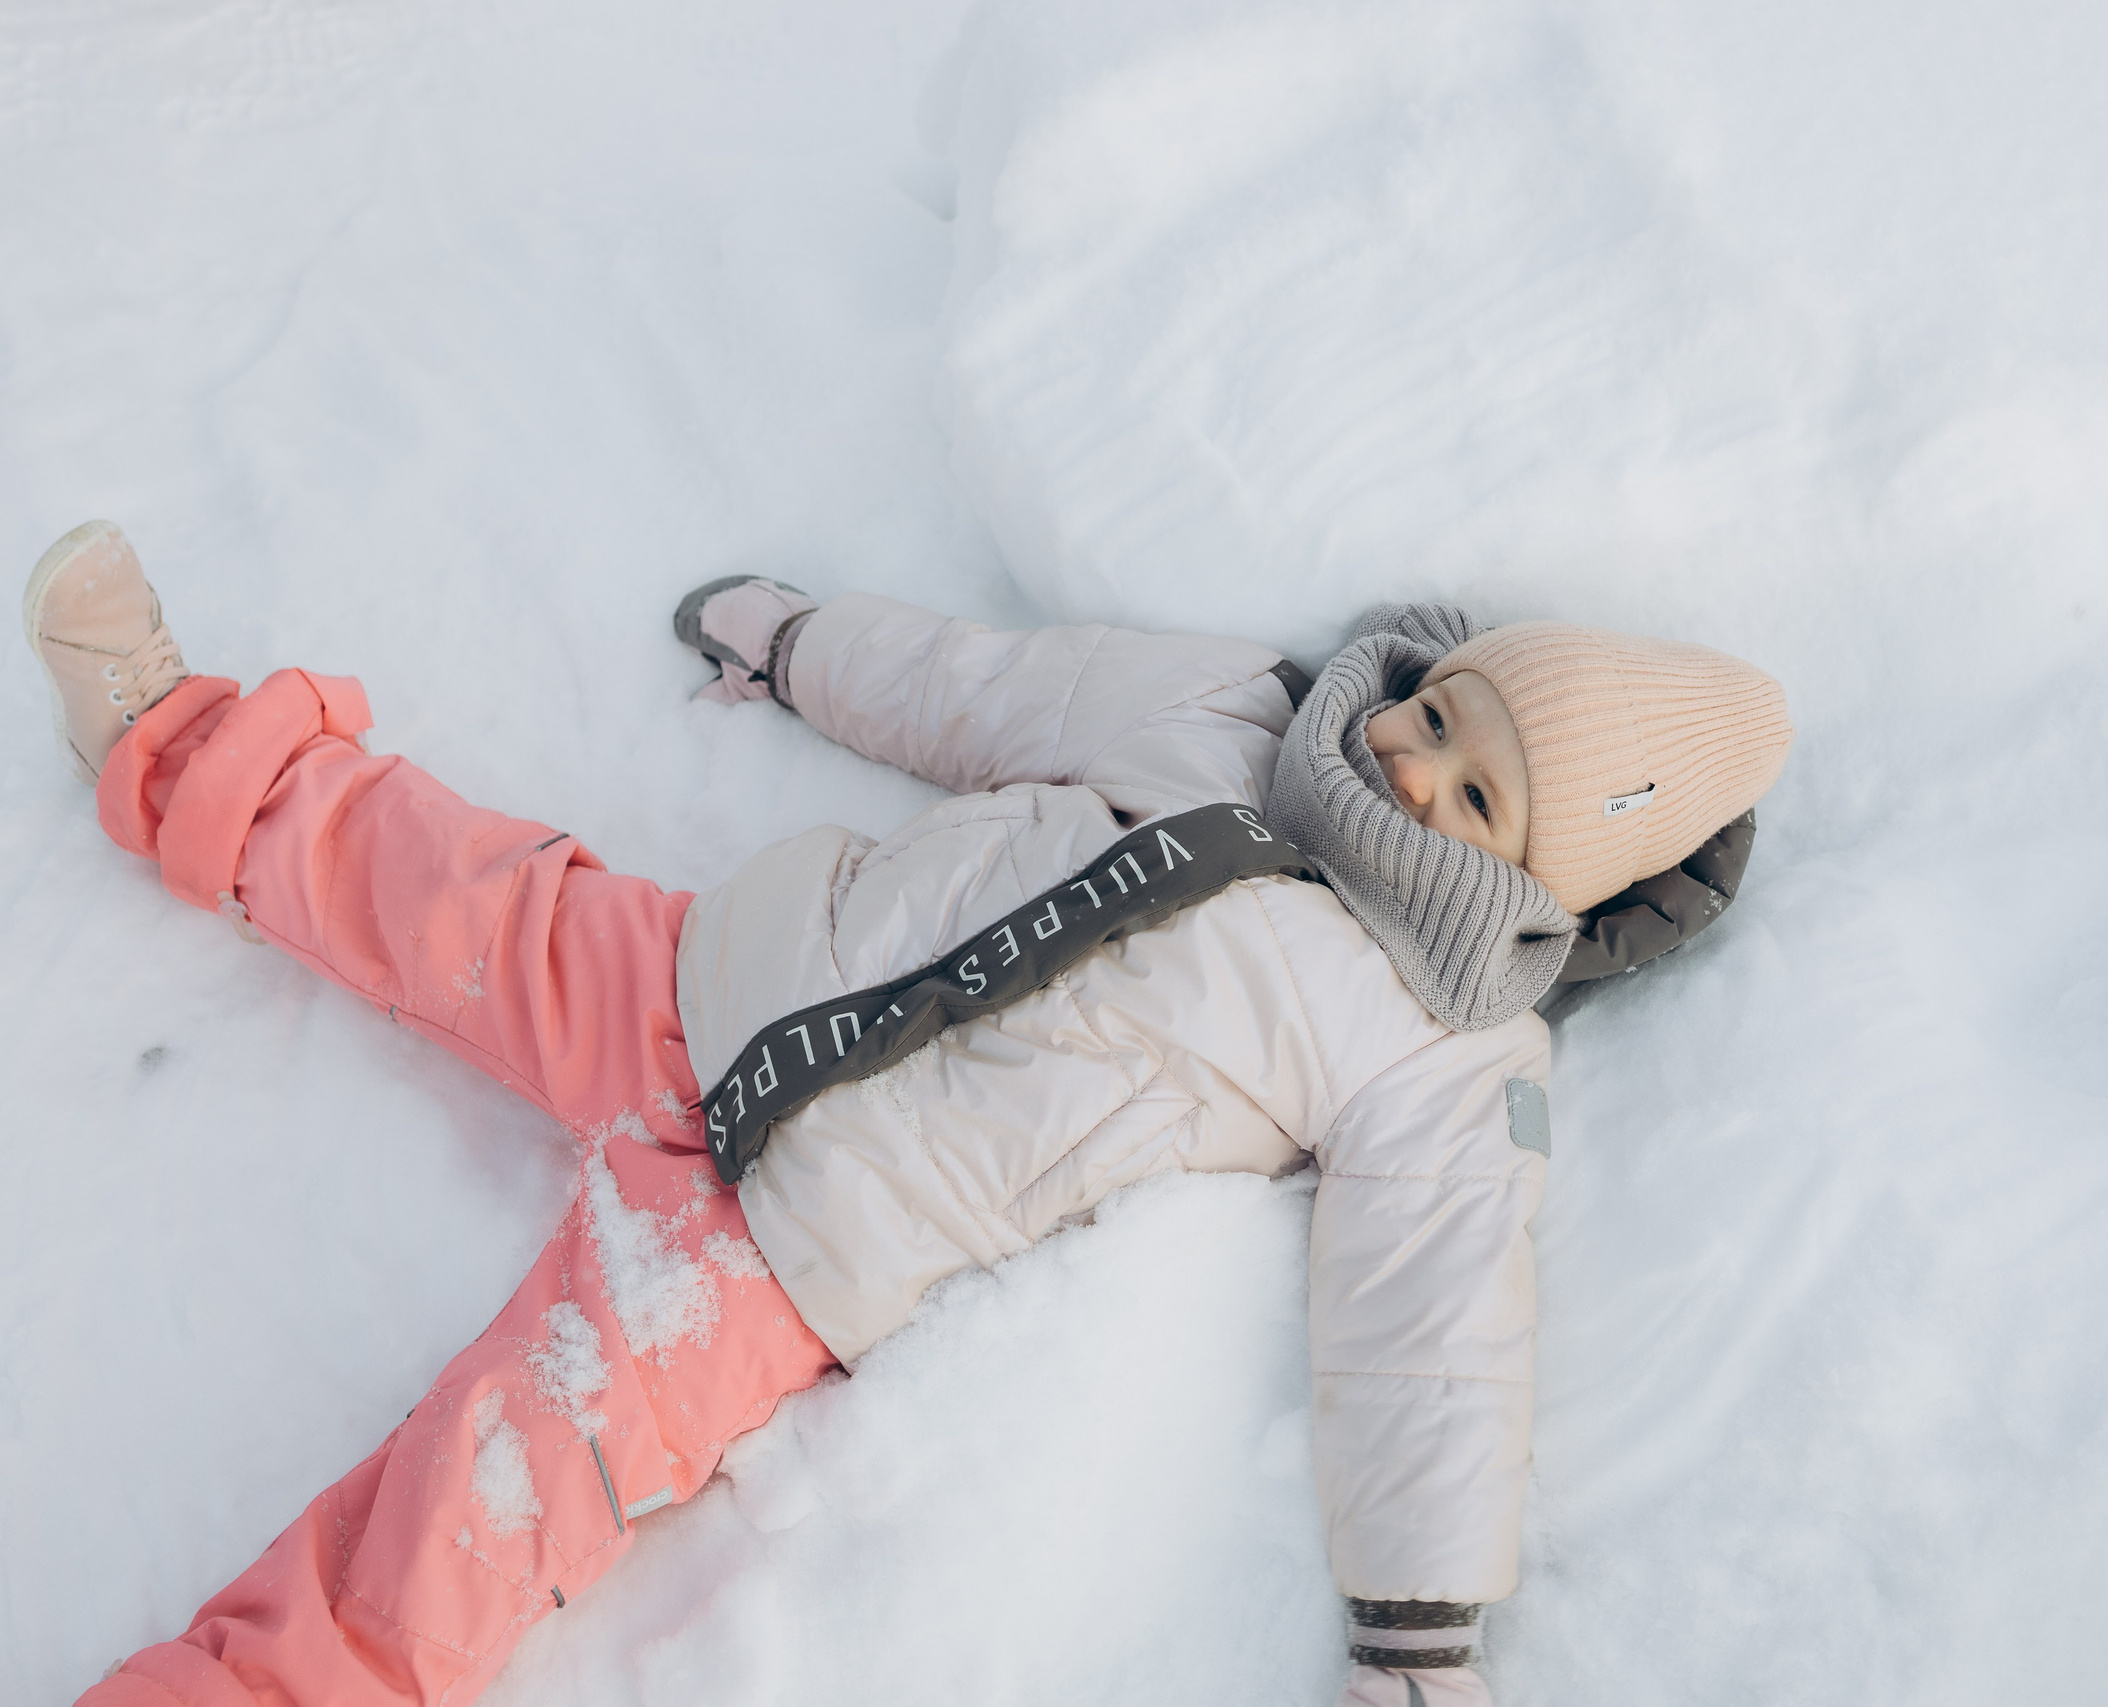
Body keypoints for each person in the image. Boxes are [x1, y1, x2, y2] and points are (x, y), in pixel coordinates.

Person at [28, 518, 1791, 1707]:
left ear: (1540, 885)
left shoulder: (1442, 1049)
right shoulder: (1234, 709)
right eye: (1440, 715)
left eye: (1473, 796)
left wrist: (1420, 1623)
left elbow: (1434, 1336)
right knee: (435, 879)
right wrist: (804, 647)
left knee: (472, 1521)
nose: (1410, 763)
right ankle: (172, 746)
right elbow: (980, 689)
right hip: (698, 984)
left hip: (771, 1263)